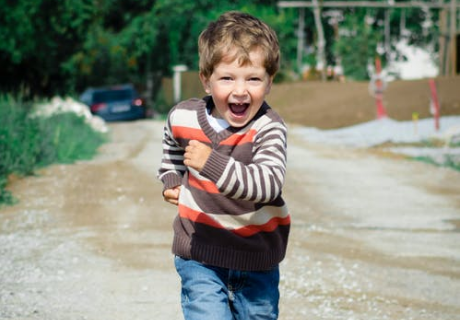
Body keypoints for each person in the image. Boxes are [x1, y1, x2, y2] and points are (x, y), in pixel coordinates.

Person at [157, 11, 290, 320]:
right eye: (227, 78)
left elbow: (268, 184)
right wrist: (172, 177)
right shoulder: (183, 116)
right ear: (206, 80)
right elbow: (171, 144)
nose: (240, 90)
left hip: (257, 259)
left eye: (254, 78)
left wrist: (211, 163)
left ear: (269, 82)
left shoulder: (269, 128)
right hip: (199, 254)